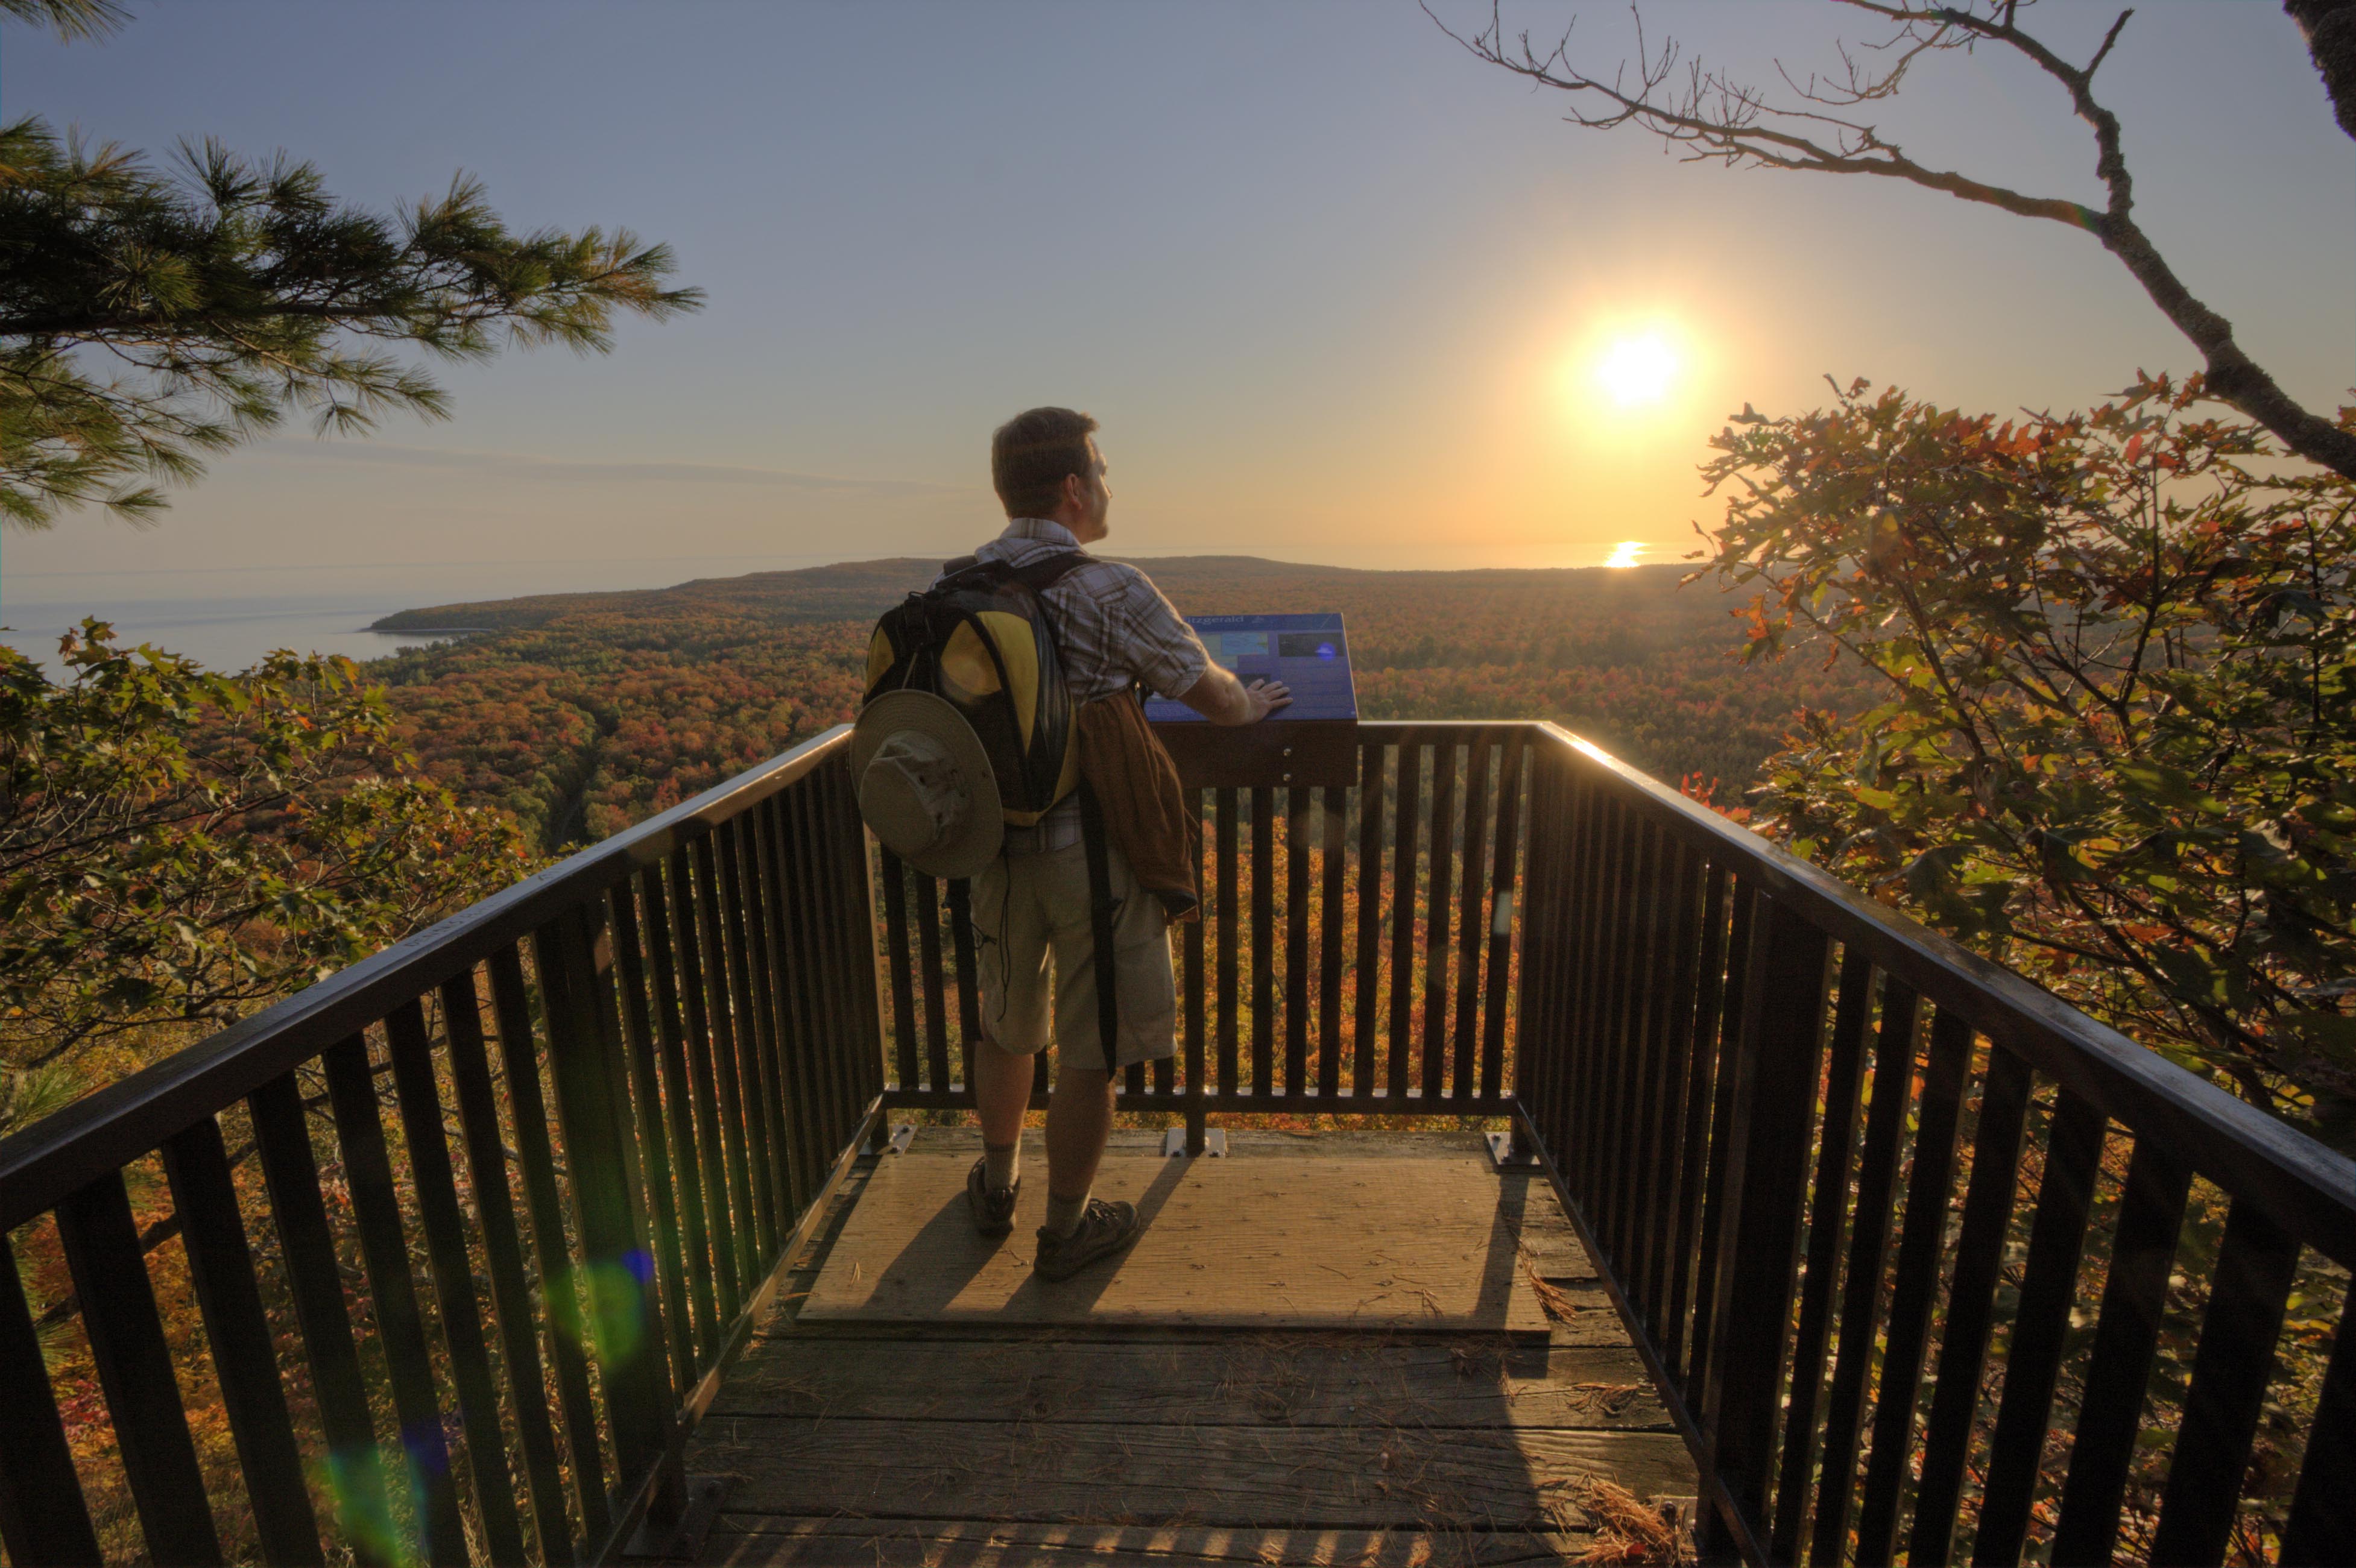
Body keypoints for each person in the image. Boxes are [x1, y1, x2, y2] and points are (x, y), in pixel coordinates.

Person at [964, 405, 1289, 1280]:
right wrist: (1251, 705)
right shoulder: (1111, 587)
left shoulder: (956, 588)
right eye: (1102, 473)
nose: (1109, 487)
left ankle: (995, 1186)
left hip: (993, 849)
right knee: (1092, 1043)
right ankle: (1066, 1231)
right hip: (1094, 852)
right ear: (1073, 490)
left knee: (1007, 1022)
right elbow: (1209, 693)